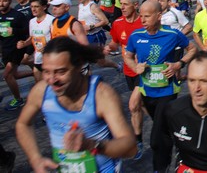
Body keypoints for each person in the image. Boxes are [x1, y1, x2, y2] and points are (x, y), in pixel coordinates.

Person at [15, 37, 137, 173]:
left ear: (79, 66)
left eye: (61, 71)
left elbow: (130, 147)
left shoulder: (101, 94)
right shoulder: (41, 91)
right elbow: (23, 124)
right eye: (46, 71)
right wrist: (35, 159)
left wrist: (93, 145)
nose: (52, 80)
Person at [124, 0, 197, 172]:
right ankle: (178, 146)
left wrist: (179, 64)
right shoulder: (136, 36)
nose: (142, 20)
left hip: (167, 90)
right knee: (162, 128)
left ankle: (160, 167)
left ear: (159, 16)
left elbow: (192, 49)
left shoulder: (172, 34)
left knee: (156, 137)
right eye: (141, 16)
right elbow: (127, 56)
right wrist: (135, 67)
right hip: (147, 90)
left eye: (147, 16)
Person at [104, 0, 145, 160]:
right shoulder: (118, 23)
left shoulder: (143, 22)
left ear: (135, 5)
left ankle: (137, 142)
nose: (122, 7)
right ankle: (163, 122)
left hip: (144, 71)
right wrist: (109, 48)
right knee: (143, 107)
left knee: (133, 105)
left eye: (126, 4)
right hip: (128, 71)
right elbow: (115, 42)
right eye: (121, 4)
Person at [0, 0, 30, 110]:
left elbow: (28, 32)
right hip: (5, 49)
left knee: (7, 75)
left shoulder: (18, 15)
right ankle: (35, 72)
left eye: (4, 1)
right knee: (14, 74)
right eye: (0, 1)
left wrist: (15, 32)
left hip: (16, 49)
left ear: (10, 2)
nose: (1, 3)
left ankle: (18, 99)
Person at [17, 0, 54, 83]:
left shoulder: (52, 20)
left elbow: (58, 38)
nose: (33, 9)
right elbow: (33, 38)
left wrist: (48, 47)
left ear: (44, 7)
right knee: (39, 84)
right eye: (32, 6)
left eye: (36, 6)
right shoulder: (32, 21)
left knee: (50, 85)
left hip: (50, 58)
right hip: (38, 58)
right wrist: (24, 43)